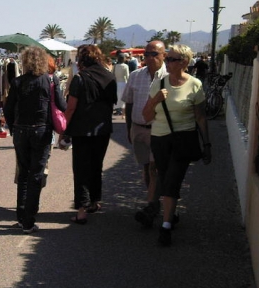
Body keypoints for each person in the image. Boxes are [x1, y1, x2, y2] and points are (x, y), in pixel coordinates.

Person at [142, 44, 211, 246]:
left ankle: (165, 227)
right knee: (164, 178)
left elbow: (200, 117)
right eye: (167, 59)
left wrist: (207, 144)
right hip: (160, 139)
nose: (167, 62)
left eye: (171, 59)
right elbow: (146, 116)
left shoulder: (195, 84)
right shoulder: (159, 83)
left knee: (172, 180)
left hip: (183, 139)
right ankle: (171, 214)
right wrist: (155, 100)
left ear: (184, 62)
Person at [4, 46, 66, 233]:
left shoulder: (17, 82)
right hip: (42, 130)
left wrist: (13, 127)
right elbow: (62, 105)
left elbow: (8, 109)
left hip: (21, 131)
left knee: (23, 173)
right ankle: (29, 220)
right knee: (36, 174)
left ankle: (22, 216)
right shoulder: (50, 80)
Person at [63, 44, 118, 224]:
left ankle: (81, 210)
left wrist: (64, 129)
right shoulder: (109, 76)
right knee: (96, 166)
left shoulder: (80, 78)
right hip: (103, 130)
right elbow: (112, 103)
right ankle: (94, 202)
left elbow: (71, 107)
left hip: (82, 130)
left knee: (81, 169)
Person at [122, 40, 167, 227]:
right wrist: (129, 128)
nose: (149, 58)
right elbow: (129, 103)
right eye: (147, 54)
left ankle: (152, 207)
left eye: (154, 54)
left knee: (154, 169)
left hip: (159, 130)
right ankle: (156, 204)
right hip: (139, 128)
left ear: (164, 55)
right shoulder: (135, 76)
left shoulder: (169, 76)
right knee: (147, 169)